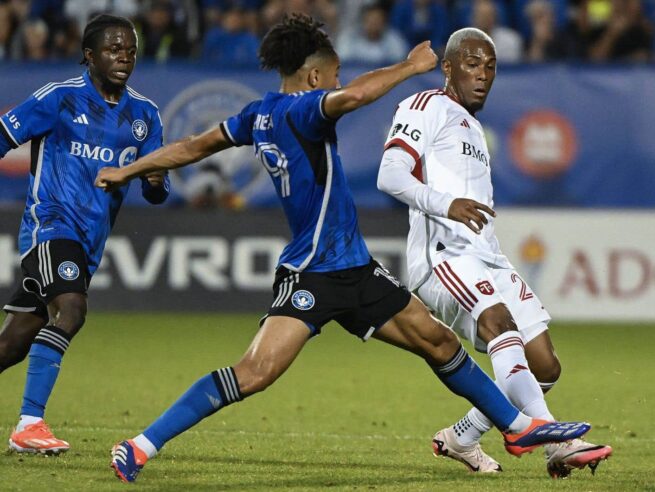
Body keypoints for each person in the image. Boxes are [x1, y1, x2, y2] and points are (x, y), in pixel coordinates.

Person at [94, 14, 591, 484]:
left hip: (357, 270)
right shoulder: (303, 110)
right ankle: (140, 444)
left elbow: (193, 146)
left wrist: (129, 170)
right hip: (312, 273)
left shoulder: (257, 114)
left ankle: (516, 426)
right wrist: (410, 67)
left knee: (438, 342)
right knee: (254, 373)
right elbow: (353, 97)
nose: (335, 83)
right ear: (313, 77)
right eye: (331, 75)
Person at [376, 27, 612, 478]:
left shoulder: (473, 126)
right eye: (471, 64)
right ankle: (554, 442)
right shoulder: (424, 106)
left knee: (544, 363)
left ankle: (461, 437)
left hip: (486, 255)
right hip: (443, 257)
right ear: (447, 68)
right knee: (498, 323)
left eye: (490, 66)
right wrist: (448, 205)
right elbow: (389, 174)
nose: (483, 75)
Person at [0, 14, 169, 455]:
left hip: (88, 242)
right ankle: (29, 425)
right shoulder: (59, 98)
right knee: (72, 311)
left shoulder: (145, 115)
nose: (124, 58)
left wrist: (153, 181)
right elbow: (3, 135)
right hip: (49, 226)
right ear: (89, 56)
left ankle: (28, 423)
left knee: (15, 342)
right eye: (114, 49)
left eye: (130, 50)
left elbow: (157, 191)